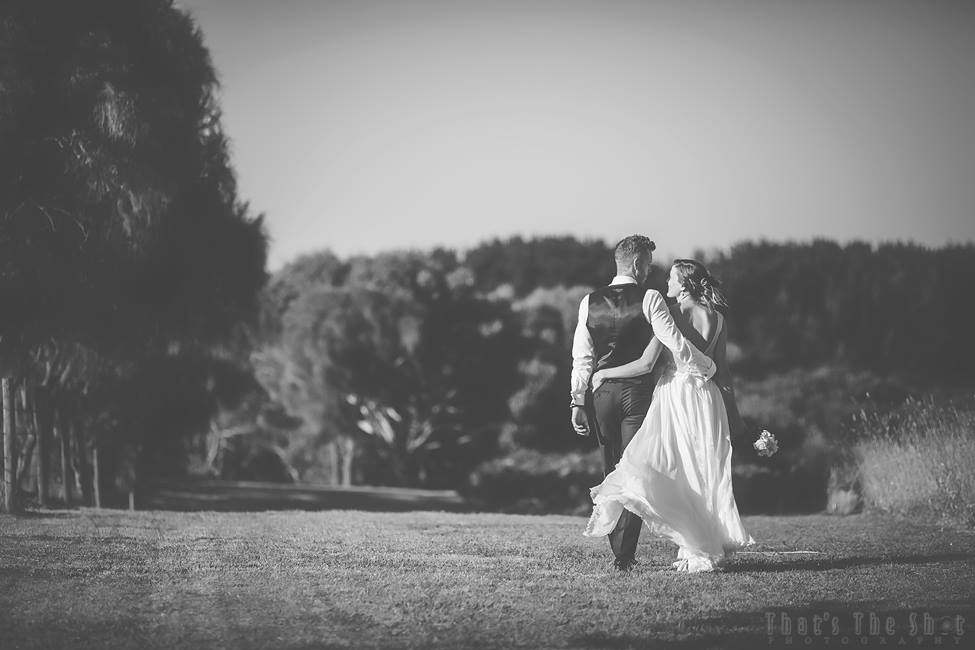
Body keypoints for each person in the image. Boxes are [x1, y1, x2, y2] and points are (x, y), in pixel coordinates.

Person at [583, 258, 754, 573]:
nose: (666, 285)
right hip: (708, 399)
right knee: (704, 473)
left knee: (671, 470)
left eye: (672, 280)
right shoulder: (717, 319)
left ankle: (694, 548)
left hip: (677, 396)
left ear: (685, 285)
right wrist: (734, 416)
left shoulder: (671, 314)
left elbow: (647, 363)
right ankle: (702, 547)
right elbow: (724, 373)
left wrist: (604, 374)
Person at [570, 237, 717, 572]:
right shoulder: (650, 298)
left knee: (613, 468)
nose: (650, 270)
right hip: (637, 394)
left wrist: (577, 401)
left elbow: (582, 358)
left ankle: (621, 552)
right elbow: (675, 344)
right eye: (648, 264)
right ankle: (624, 554)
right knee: (634, 470)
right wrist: (707, 367)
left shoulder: (588, 302)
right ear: (636, 264)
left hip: (601, 393)